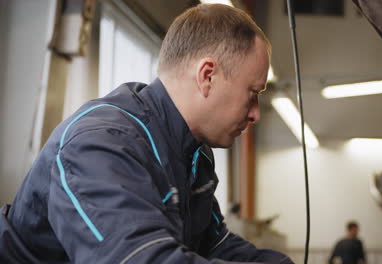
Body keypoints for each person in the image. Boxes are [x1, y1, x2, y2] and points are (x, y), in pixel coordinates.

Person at [0, 4, 293, 264]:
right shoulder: (100, 144)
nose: (255, 113)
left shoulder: (193, 154)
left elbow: (212, 245)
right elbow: (139, 258)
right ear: (207, 76)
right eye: (253, 93)